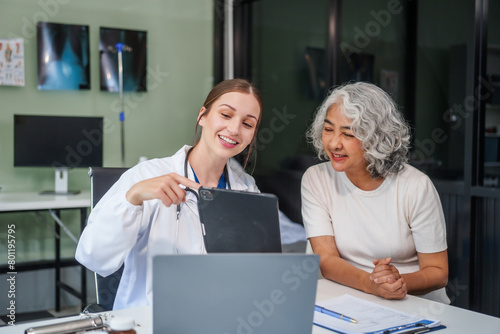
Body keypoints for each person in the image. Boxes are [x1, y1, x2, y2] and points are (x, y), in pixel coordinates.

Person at [76, 78, 262, 310]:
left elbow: (257, 272)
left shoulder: (248, 189)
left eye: (248, 124)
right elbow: (93, 257)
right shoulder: (146, 174)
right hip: (149, 320)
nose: (234, 129)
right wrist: (132, 198)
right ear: (202, 115)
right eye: (226, 115)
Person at [301, 81, 450, 303]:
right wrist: (371, 284)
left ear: (377, 138)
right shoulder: (316, 179)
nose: (334, 143)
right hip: (353, 298)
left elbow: (438, 272)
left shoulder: (416, 186)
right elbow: (326, 258)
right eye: (329, 129)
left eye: (348, 135)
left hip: (416, 305)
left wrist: (395, 283)